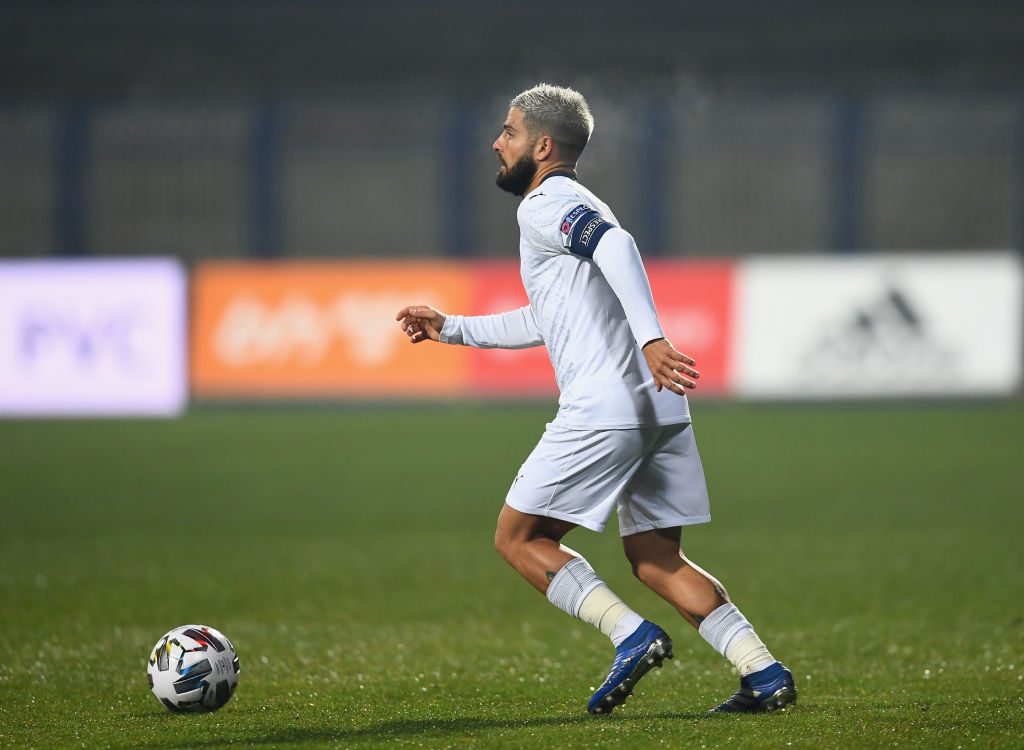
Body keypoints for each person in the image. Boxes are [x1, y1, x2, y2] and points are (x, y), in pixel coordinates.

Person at [395, 83, 795, 716]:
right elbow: (544, 320)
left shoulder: (544, 203)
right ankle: (764, 673)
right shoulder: (576, 200)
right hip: (658, 408)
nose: (497, 142)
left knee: (518, 537)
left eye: (510, 132)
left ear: (543, 145)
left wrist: (653, 336)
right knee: (657, 557)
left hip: (607, 407)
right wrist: (451, 327)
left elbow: (616, 246)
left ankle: (630, 635)